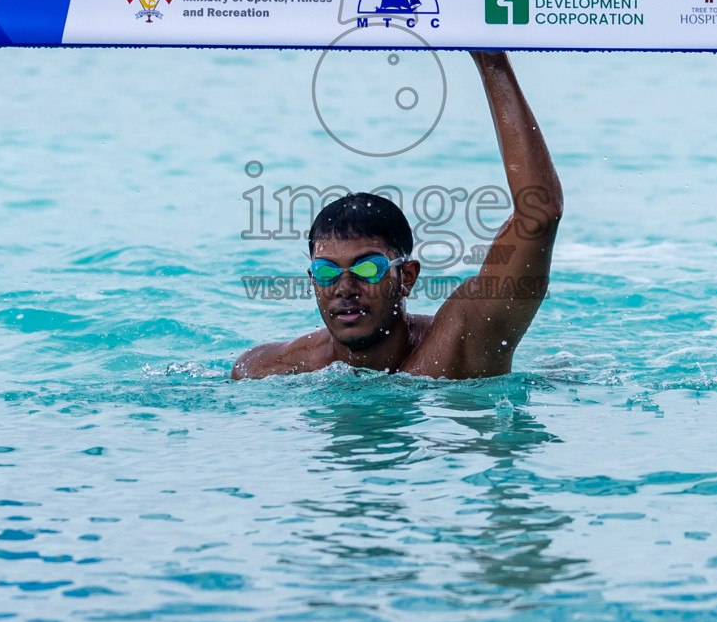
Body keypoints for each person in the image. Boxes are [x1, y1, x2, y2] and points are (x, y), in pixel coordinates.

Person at [232, 50, 562, 380]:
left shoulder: (457, 348)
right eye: (326, 272)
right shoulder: (266, 369)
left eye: (367, 267)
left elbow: (540, 214)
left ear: (406, 277)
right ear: (312, 280)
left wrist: (492, 62)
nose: (345, 287)